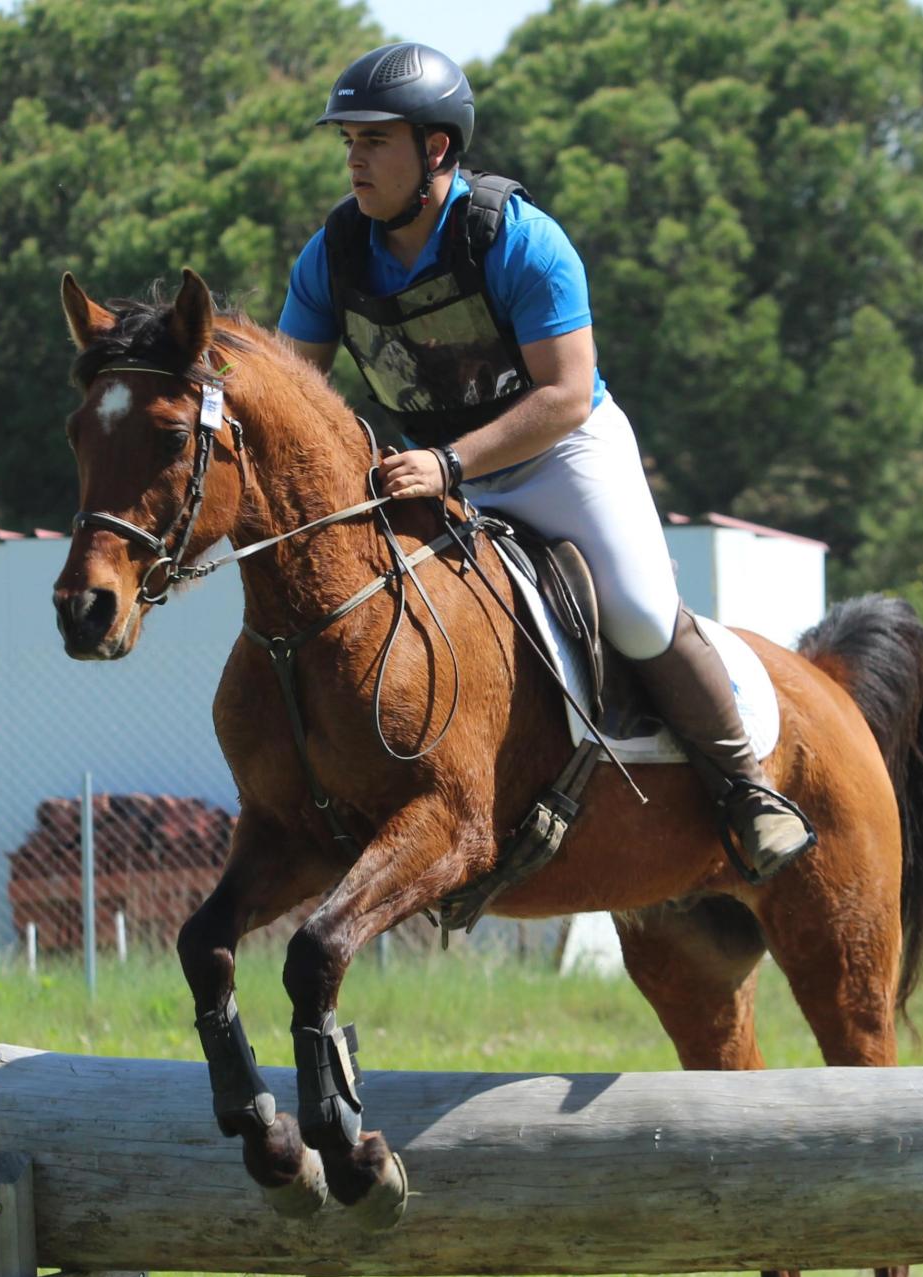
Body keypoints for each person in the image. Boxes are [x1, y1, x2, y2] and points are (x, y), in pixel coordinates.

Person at [277, 42, 814, 882]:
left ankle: (747, 789)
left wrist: (450, 465)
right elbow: (293, 394)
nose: (355, 160)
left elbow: (563, 394)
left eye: (375, 141)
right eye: (348, 142)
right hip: (432, 464)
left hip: (558, 451)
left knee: (636, 609)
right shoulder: (333, 255)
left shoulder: (519, 240)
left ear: (437, 149)